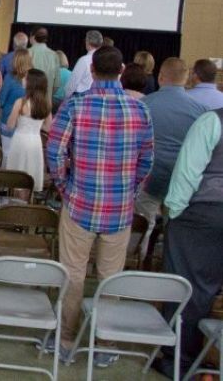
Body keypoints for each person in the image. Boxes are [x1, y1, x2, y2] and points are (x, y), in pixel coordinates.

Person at [45, 45, 154, 365]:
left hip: (79, 203)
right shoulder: (140, 110)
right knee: (111, 276)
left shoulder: (75, 105)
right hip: (119, 209)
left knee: (74, 273)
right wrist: (129, 191)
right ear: (121, 71)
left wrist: (66, 187)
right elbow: (147, 160)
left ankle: (66, 339)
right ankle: (104, 342)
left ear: (92, 70)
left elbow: (55, 152)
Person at [154, 108, 223, 378]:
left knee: (187, 285)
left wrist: (174, 211)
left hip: (203, 214)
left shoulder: (213, 121)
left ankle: (179, 359)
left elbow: (187, 171)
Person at [135, 58, 206, 223]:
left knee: (145, 222)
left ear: (160, 77)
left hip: (148, 177)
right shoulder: (200, 111)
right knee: (174, 224)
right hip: (181, 177)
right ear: (186, 79)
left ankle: (144, 247)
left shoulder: (143, 105)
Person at [5, 69, 52, 193]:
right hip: (35, 142)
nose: (22, 80)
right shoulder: (46, 103)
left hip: (20, 140)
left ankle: (15, 204)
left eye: (25, 78)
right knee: (30, 174)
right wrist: (37, 125)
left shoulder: (20, 102)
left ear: (31, 83)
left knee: (17, 174)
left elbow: (10, 125)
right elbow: (48, 127)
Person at [0, 49, 32, 153]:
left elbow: (1, 101)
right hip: (26, 122)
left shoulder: (9, 78)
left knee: (6, 154)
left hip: (8, 120)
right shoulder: (34, 79)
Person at [63, 30, 104, 97]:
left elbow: (73, 83)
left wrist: (66, 98)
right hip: (98, 96)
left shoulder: (84, 60)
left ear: (87, 42)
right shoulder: (104, 59)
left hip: (80, 97)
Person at [28, 27, 61, 98]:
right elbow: (57, 84)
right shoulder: (54, 55)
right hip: (46, 103)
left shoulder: (26, 53)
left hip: (28, 101)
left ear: (33, 37)